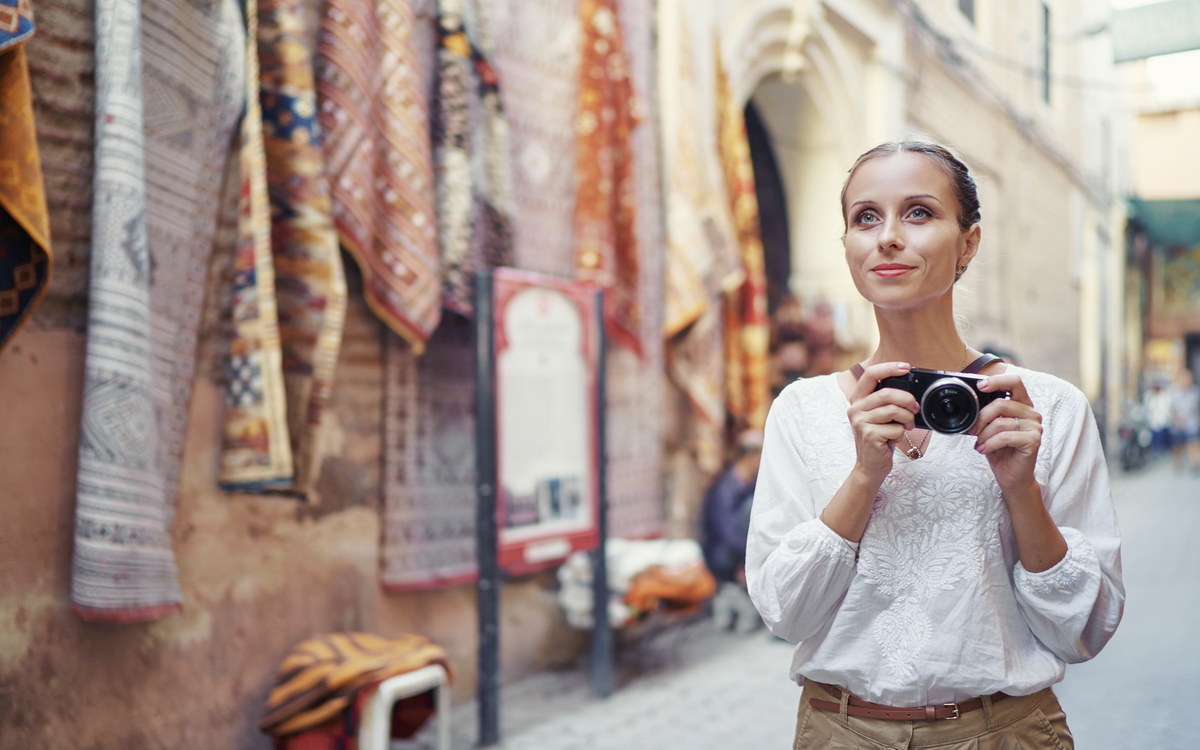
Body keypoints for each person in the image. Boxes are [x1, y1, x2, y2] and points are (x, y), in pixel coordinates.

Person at [746, 141, 1124, 749]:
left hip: (1005, 730)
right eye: (865, 218)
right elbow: (785, 613)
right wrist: (865, 475)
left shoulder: (1045, 407)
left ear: (968, 243)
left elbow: (1083, 630)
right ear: (846, 245)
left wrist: (1020, 489)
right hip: (839, 731)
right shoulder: (803, 410)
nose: (887, 237)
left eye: (918, 213)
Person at [701, 429, 764, 633]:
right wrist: (748, 562)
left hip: (739, 552)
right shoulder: (726, 488)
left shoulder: (749, 484)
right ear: (751, 455)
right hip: (722, 555)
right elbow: (727, 534)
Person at [1169, 368, 1200, 472]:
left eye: (1188, 377)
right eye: (1184, 378)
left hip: (1191, 422)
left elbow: (1197, 408)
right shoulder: (1174, 391)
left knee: (1192, 443)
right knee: (1177, 445)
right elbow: (1172, 407)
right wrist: (1175, 419)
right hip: (1178, 423)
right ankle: (1178, 462)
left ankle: (1194, 463)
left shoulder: (1195, 391)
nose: (1187, 380)